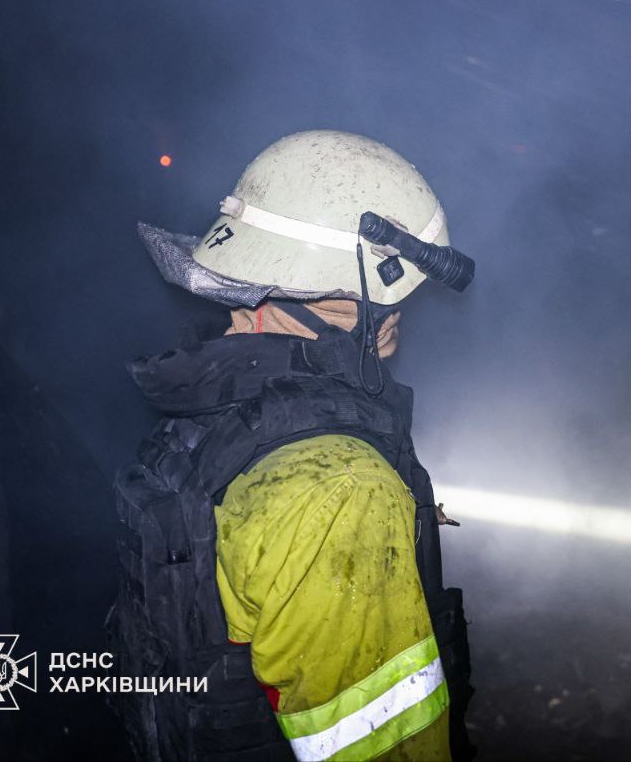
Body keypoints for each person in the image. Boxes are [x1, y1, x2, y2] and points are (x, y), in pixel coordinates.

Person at [106, 130, 474, 761]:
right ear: (343, 298)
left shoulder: (221, 416)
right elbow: (380, 743)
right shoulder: (338, 488)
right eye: (400, 299)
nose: (404, 316)